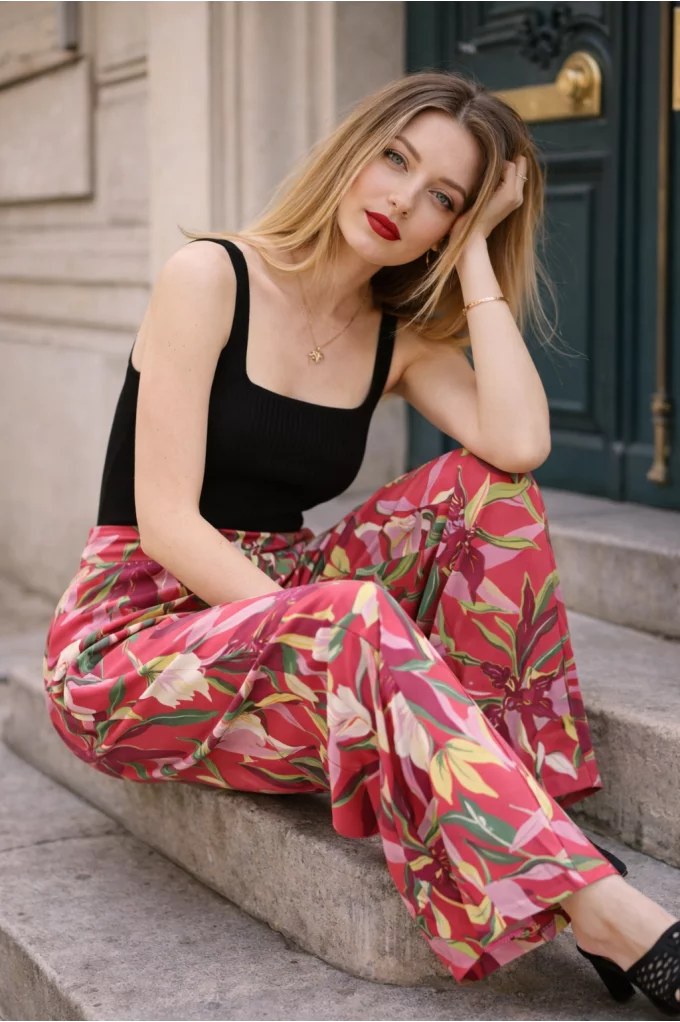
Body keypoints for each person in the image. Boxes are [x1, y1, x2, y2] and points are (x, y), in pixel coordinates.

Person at [43, 71, 679, 1013]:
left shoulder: (396, 339)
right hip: (134, 644)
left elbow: (519, 444)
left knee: (490, 494)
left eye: (444, 199)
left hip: (290, 612)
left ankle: (521, 814)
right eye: (395, 158)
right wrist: (335, 641)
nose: (403, 200)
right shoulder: (210, 278)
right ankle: (597, 902)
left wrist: (477, 258)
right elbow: (167, 524)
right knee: (351, 618)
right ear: (353, 151)